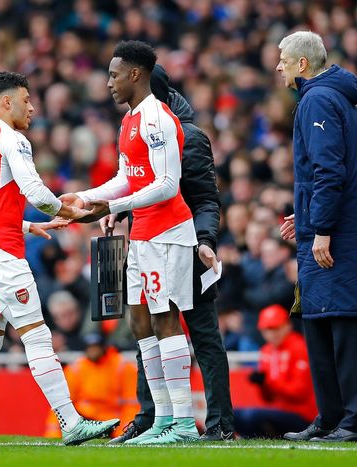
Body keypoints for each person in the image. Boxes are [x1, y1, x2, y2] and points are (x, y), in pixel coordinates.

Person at [0, 71, 119, 448]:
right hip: (0, 251)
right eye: (27, 100)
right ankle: (70, 421)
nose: (33, 107)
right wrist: (74, 211)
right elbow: (35, 190)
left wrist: (29, 226)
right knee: (37, 335)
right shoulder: (13, 138)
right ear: (7, 102)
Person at [62, 41, 200, 444]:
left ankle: (184, 424)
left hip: (169, 231)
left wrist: (112, 204)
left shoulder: (157, 118)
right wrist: (88, 198)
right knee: (139, 320)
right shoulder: (129, 120)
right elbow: (128, 177)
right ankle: (162, 420)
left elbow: (168, 184)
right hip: (142, 233)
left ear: (135, 74)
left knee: (166, 318)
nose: (108, 83)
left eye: (114, 74)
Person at [107, 64, 235, 443]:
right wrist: (118, 210)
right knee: (147, 329)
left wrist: (206, 240)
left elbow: (205, 198)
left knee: (201, 334)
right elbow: (139, 184)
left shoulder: (189, 137)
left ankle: (218, 423)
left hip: (187, 246)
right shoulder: (136, 127)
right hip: (149, 243)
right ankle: (151, 417)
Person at [277, 31, 357, 442]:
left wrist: (321, 228)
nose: (278, 67)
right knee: (320, 323)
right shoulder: (328, 98)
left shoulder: (318, 100)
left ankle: (355, 422)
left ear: (302, 64)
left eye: (283, 60)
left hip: (341, 235)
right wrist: (304, 217)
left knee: (343, 324)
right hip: (331, 227)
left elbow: (329, 171)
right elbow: (324, 176)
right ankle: (331, 417)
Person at [234, 305, 316, 438]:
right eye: (267, 330)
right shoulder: (266, 351)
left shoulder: (299, 347)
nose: (272, 334)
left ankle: (261, 436)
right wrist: (262, 384)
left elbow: (299, 393)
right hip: (277, 411)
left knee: (251, 416)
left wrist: (268, 382)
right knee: (232, 415)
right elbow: (268, 398)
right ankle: (256, 437)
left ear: (288, 326)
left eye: (276, 328)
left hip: (302, 415)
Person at [44, 333, 138, 439]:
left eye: (96, 347)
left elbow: (132, 405)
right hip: (85, 419)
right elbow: (62, 403)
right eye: (90, 348)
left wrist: (122, 434)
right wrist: (53, 434)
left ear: (104, 347)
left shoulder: (123, 367)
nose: (93, 351)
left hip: (113, 421)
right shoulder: (76, 368)